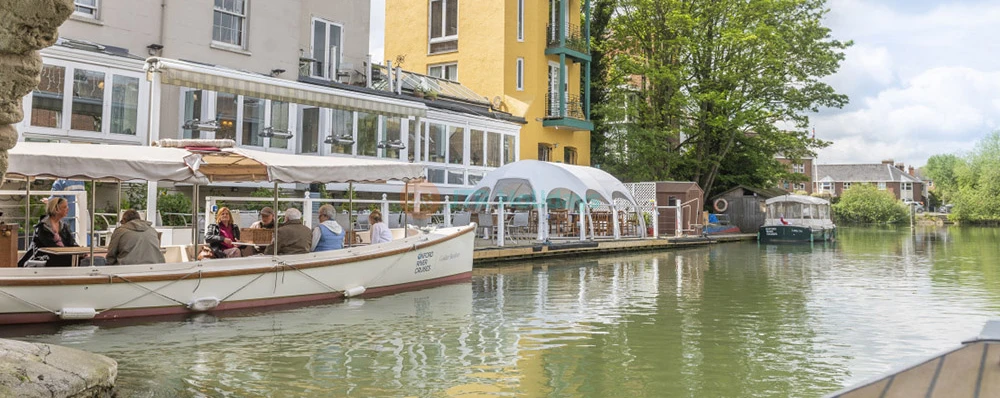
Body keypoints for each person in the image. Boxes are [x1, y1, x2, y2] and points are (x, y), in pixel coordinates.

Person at [17, 197, 81, 267]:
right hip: (45, 258)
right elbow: (50, 246)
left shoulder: (63, 226)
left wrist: (80, 251)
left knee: (81, 258)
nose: (68, 209)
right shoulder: (42, 227)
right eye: (65, 207)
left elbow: (71, 242)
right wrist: (68, 253)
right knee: (68, 259)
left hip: (61, 255)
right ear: (56, 209)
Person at [41, 179, 86, 243]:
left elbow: (56, 196)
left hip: (65, 212)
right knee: (79, 234)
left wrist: (49, 200)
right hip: (78, 211)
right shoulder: (80, 179)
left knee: (63, 234)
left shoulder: (60, 181)